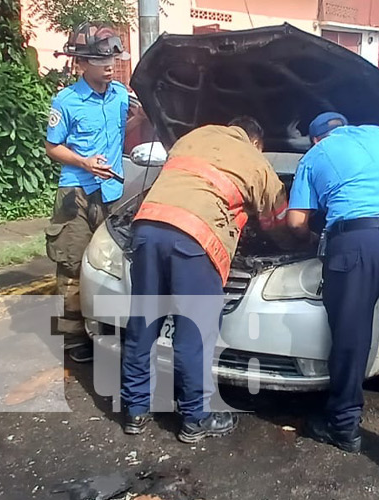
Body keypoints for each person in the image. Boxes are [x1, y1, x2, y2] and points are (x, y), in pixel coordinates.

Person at [121, 117, 296, 444]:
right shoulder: (256, 162)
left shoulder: (193, 136)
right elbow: (278, 223)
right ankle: (195, 418)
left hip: (147, 227)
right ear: (256, 141)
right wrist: (293, 243)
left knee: (143, 323)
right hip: (194, 239)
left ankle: (134, 409)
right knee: (193, 334)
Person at [287, 112, 379, 481]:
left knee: (350, 339)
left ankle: (345, 428)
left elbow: (294, 221)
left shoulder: (315, 157)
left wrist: (311, 238)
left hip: (354, 245)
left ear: (314, 139)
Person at [45, 23, 131, 363]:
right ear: (81, 63)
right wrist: (83, 162)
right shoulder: (66, 101)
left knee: (110, 264)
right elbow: (52, 147)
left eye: (112, 57)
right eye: (100, 59)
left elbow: (130, 125)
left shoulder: (122, 95)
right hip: (77, 191)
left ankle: (108, 324)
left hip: (113, 190)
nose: (109, 64)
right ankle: (72, 338)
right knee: (72, 263)